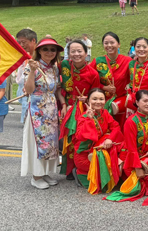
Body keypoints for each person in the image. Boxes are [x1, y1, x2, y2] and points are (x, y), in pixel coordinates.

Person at [106, 90, 148, 201]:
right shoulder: (131, 121)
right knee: (138, 188)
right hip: (133, 159)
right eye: (145, 101)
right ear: (137, 103)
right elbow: (131, 148)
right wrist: (138, 167)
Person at [21, 38, 66, 189]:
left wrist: (63, 104)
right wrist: (33, 71)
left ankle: (45, 172)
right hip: (37, 109)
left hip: (51, 108)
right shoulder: (32, 65)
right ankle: (36, 176)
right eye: (45, 49)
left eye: (52, 50)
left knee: (51, 144)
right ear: (39, 50)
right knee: (39, 142)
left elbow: (57, 88)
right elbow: (28, 90)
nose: (49, 52)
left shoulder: (54, 68)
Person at [59, 40, 101, 179]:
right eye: (73, 51)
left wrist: (88, 98)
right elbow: (59, 86)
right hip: (68, 106)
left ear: (86, 53)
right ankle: (68, 169)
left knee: (80, 137)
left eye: (79, 51)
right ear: (68, 53)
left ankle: (79, 167)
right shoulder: (64, 65)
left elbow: (96, 93)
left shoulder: (92, 73)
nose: (76, 54)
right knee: (68, 138)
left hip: (84, 109)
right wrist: (64, 105)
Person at [73, 88, 123, 193]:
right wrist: (89, 119)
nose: (98, 102)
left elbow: (116, 127)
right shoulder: (83, 117)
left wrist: (109, 138)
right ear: (88, 101)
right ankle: (80, 172)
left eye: (101, 99)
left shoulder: (104, 113)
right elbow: (81, 137)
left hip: (98, 149)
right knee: (105, 176)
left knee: (117, 140)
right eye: (94, 99)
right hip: (85, 155)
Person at [89, 32, 132, 126]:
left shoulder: (127, 61)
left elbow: (139, 74)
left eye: (112, 42)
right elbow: (88, 80)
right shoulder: (97, 61)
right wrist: (104, 88)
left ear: (119, 44)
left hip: (121, 103)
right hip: (101, 104)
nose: (109, 45)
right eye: (106, 43)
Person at [15, 28, 38, 124]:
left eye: (23, 42)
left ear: (33, 40)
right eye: (19, 42)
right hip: (29, 96)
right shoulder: (26, 56)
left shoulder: (41, 55)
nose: (21, 45)